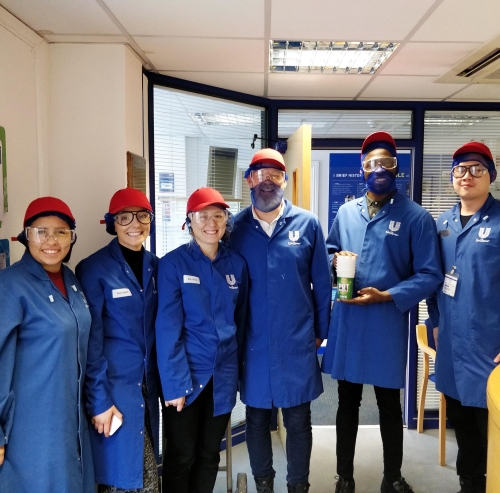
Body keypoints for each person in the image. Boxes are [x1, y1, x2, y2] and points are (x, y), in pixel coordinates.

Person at [322, 132, 443, 493]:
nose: (379, 169)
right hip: (349, 319)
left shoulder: (416, 217)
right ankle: (344, 476)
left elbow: (430, 274)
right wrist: (335, 261)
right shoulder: (346, 212)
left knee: (389, 403)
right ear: (362, 169)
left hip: (386, 322)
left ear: (396, 167)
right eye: (371, 163)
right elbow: (329, 251)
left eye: (386, 162)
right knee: (347, 401)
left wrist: (387, 295)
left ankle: (392, 477)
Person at [230, 148, 331, 493]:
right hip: (253, 343)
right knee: (257, 419)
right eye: (260, 174)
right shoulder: (234, 229)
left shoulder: (308, 224)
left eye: (275, 175)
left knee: (298, 420)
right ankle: (264, 485)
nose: (267, 181)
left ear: (285, 181)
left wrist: (320, 331)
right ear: (248, 180)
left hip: (296, 341)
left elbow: (322, 282)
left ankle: (298, 486)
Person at [156, 187, 248, 493]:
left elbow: (240, 321)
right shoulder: (173, 264)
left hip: (223, 377)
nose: (211, 223)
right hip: (185, 377)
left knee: (209, 454)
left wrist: (239, 373)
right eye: (202, 216)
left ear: (226, 221)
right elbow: (167, 328)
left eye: (218, 215)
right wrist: (174, 384)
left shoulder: (236, 265)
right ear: (189, 222)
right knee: (182, 456)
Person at [0, 197, 94, 493]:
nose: (51, 240)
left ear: (71, 238)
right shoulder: (10, 285)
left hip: (70, 421)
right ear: (26, 236)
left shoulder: (71, 280)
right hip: (30, 428)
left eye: (61, 232)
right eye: (41, 232)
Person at [76, 188, 161, 493]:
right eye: (125, 217)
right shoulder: (93, 269)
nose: (135, 223)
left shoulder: (156, 266)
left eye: (142, 216)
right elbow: (91, 342)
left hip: (148, 388)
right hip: (114, 390)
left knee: (146, 472)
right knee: (125, 477)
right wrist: (98, 400)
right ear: (112, 223)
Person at [427, 141, 500, 493]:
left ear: (491, 175)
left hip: (490, 345)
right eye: (460, 169)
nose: (467, 175)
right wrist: (434, 323)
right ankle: (470, 484)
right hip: (453, 345)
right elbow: (433, 278)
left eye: (476, 168)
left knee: (490, 426)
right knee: (462, 421)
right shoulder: (443, 223)